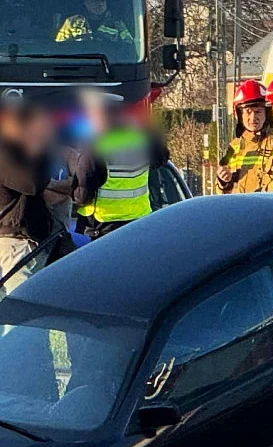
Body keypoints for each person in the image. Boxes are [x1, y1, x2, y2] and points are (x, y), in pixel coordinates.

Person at [74, 91, 167, 240]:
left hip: (104, 225)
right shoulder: (143, 139)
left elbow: (84, 192)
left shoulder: (96, 146)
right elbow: (161, 159)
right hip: (140, 220)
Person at [0, 99, 54, 296]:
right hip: (12, 243)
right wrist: (39, 149)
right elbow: (32, 184)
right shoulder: (5, 154)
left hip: (22, 237)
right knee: (22, 306)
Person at [215, 80, 273, 194]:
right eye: (248, 112)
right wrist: (223, 182)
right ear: (240, 115)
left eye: (258, 111)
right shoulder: (234, 147)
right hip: (241, 208)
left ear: (267, 114)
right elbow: (224, 193)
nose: (253, 118)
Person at [55, 0, 132, 43]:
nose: (100, 4)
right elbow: (60, 44)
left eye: (102, 1)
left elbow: (128, 45)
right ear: (85, 3)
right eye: (95, 1)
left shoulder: (117, 23)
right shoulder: (71, 22)